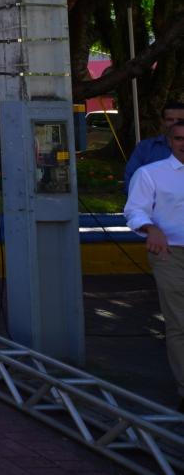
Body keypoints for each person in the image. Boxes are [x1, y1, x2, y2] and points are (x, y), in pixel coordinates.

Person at [124, 119, 184, 409]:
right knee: (179, 322)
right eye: (180, 138)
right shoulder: (150, 173)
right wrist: (151, 228)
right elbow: (134, 210)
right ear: (169, 142)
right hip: (170, 253)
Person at [125, 102, 184, 188]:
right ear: (163, 122)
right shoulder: (145, 147)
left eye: (180, 120)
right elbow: (131, 179)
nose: (174, 123)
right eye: (170, 120)